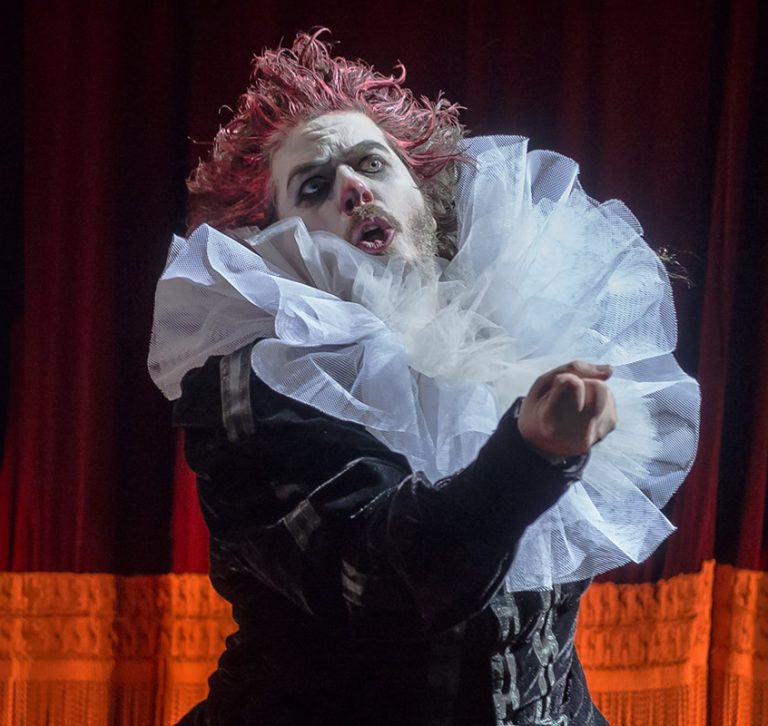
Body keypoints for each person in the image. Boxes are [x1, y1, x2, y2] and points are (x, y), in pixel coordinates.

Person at [149, 30, 699, 726]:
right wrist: (527, 459)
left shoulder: (518, 336)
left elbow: (538, 651)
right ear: (278, 243)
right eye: (313, 187)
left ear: (422, 191)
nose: (352, 188)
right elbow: (378, 585)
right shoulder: (256, 389)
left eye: (371, 163)